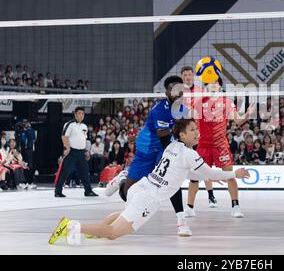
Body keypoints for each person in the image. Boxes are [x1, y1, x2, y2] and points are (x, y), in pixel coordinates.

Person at [48, 119, 250, 245]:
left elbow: (192, 174)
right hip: (148, 198)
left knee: (123, 215)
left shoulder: (172, 147)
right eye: (192, 130)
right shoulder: (189, 154)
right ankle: (70, 227)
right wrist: (234, 174)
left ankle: (94, 229)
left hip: (141, 187)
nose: (197, 133)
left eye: (197, 129)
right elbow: (205, 172)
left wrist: (211, 175)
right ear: (182, 135)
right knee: (112, 234)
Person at [105, 76, 191, 237]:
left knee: (171, 177)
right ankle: (123, 178)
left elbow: (185, 133)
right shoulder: (159, 109)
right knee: (128, 195)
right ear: (167, 91)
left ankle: (181, 221)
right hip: (148, 147)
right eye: (172, 88)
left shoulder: (184, 110)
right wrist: (177, 152)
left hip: (164, 148)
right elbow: (163, 137)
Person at [185, 77, 255, 218]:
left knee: (230, 175)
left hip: (220, 145)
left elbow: (238, 120)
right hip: (203, 145)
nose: (214, 84)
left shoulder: (226, 102)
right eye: (211, 82)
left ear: (220, 86)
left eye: (216, 82)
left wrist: (248, 114)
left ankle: (235, 206)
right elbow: (188, 121)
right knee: (194, 178)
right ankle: (189, 207)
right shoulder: (198, 102)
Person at [181, 66, 217, 208]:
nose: (188, 77)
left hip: (198, 134)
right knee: (187, 167)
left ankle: (211, 196)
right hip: (184, 135)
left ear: (193, 76)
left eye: (190, 74)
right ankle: (187, 203)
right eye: (185, 75)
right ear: (182, 76)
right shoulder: (179, 92)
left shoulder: (201, 92)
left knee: (204, 166)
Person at [54, 107, 98, 198]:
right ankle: (58, 191)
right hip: (71, 152)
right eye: (79, 113)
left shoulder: (84, 126)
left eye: (83, 113)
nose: (81, 115)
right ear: (75, 114)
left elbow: (84, 140)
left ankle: (88, 191)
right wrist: (67, 148)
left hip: (81, 152)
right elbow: (64, 136)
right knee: (65, 172)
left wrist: (86, 151)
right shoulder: (69, 124)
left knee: (85, 171)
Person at [20, 119, 37, 189]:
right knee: (24, 164)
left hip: (29, 150)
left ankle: (30, 182)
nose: (25, 124)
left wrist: (28, 129)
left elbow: (33, 138)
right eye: (24, 123)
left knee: (29, 165)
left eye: (26, 123)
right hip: (23, 150)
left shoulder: (30, 130)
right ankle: (25, 182)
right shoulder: (22, 131)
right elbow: (22, 140)